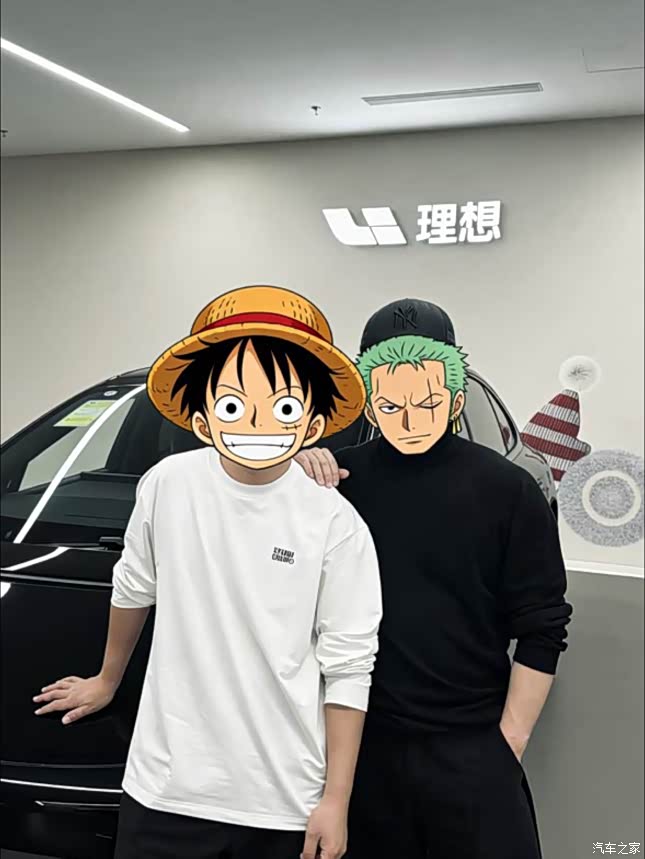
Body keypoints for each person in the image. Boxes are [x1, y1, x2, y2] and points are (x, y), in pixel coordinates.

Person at [33, 286, 382, 859]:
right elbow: (134, 586)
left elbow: (349, 665)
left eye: (284, 407)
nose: (258, 422)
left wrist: (335, 799)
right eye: (234, 404)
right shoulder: (168, 484)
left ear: (314, 421)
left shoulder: (334, 522)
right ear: (201, 417)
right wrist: (107, 679)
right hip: (164, 789)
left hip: (281, 799)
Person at [296, 297, 573, 859]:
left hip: (473, 746)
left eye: (427, 402)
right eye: (391, 404)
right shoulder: (338, 485)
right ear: (369, 402)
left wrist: (508, 744)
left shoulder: (508, 491)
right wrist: (295, 465)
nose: (409, 419)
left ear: (455, 397)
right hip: (360, 748)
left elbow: (544, 628)